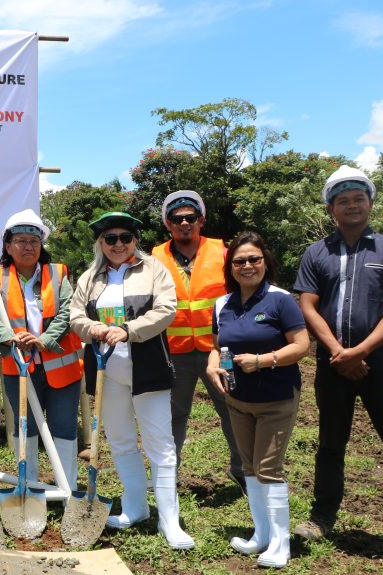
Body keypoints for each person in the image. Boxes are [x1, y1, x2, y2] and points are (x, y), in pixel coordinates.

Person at [292, 166, 383, 554]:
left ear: (370, 203)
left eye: (359, 198)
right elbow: (307, 304)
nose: (352, 205)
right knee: (330, 443)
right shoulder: (316, 253)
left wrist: (360, 351)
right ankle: (321, 518)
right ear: (331, 209)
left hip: (380, 365)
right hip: (332, 366)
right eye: (343, 200)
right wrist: (339, 352)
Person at [69, 211, 194, 549]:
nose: (119, 244)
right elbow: (75, 315)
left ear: (136, 240)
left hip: (149, 368)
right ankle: (136, 507)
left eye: (126, 237)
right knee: (122, 441)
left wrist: (127, 330)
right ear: (101, 243)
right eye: (111, 239)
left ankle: (170, 521)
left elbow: (166, 310)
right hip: (105, 372)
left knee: (161, 445)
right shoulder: (90, 277)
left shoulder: (153, 270)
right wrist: (91, 328)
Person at [206, 232, 309, 568]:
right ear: (230, 267)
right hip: (238, 399)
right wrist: (212, 365)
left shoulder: (281, 300)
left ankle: (281, 543)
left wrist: (262, 361)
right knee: (250, 467)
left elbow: (301, 346)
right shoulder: (223, 304)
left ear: (266, 262)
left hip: (276, 397)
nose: (247, 266)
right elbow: (217, 344)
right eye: (240, 261)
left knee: (268, 468)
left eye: (254, 259)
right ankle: (261, 535)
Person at [0, 209, 83, 490]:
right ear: (8, 247)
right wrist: (11, 338)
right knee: (27, 427)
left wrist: (45, 340)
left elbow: (68, 312)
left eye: (34, 241)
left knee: (64, 428)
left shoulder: (58, 274)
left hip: (61, 367)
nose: (28, 247)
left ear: (41, 246)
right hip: (19, 365)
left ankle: (66, 488)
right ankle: (32, 488)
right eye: (21, 241)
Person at [151, 190, 243, 491]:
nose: (184, 223)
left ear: (201, 220)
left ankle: (243, 470)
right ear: (168, 223)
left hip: (221, 348)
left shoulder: (224, 252)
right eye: (177, 219)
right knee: (173, 414)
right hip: (173, 351)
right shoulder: (154, 257)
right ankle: (167, 475)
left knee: (233, 407)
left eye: (191, 217)